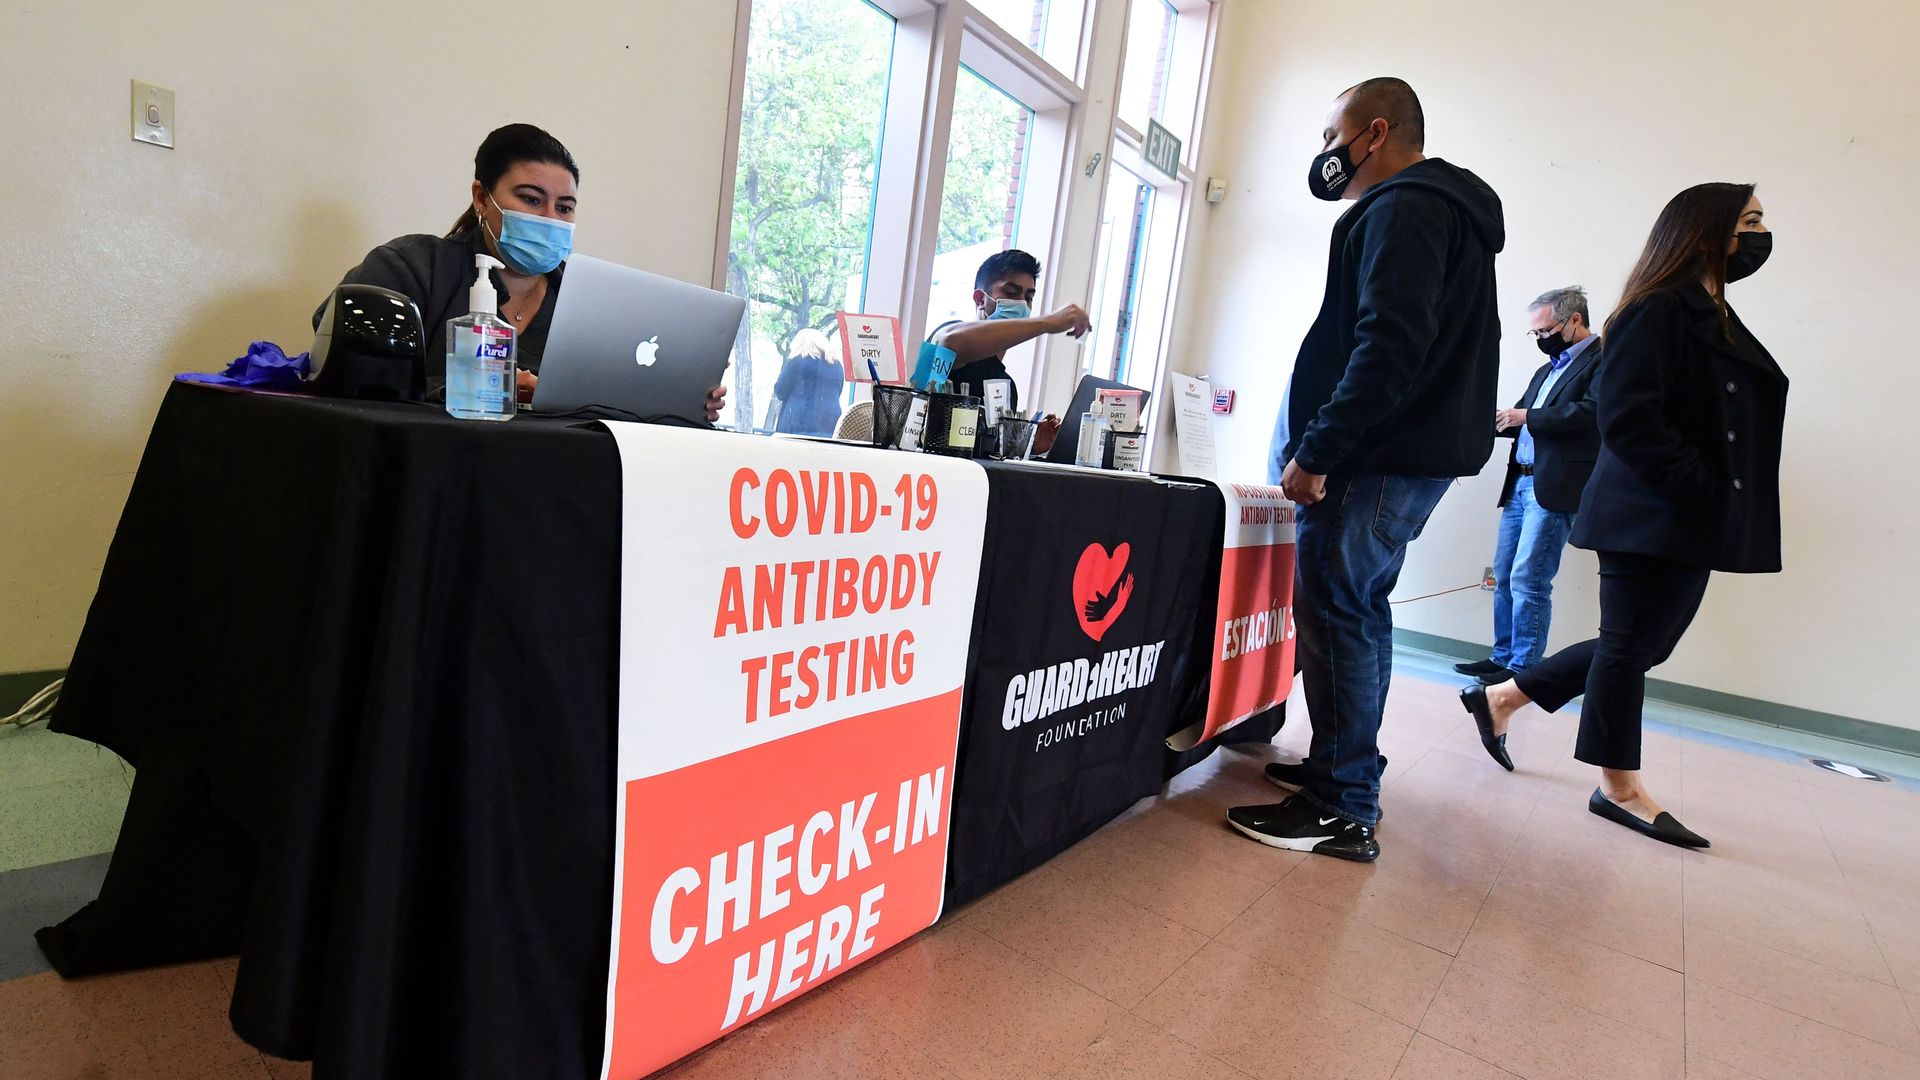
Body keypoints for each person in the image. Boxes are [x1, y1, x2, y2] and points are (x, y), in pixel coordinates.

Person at [1226, 77, 1504, 863]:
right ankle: (1343, 769)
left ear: (1375, 133)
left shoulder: (1404, 207)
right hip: (1410, 459)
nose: (1323, 153)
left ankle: (1343, 807)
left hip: (1373, 460)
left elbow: (1387, 346)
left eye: (1329, 136)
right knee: (1362, 612)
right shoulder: (1450, 211)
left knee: (1340, 616)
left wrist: (1318, 449)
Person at [1461, 183, 1783, 849]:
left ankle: (1501, 698)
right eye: (1748, 221)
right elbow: (1628, 418)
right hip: (1651, 511)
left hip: (1687, 512)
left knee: (1641, 644)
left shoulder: (1712, 311)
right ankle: (1619, 788)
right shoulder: (1657, 309)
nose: (1759, 233)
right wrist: (1700, 484)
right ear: (1704, 232)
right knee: (1629, 647)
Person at [318, 123, 725, 419]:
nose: (550, 218)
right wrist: (486, 388)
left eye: (564, 207)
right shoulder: (412, 266)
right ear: (482, 197)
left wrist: (684, 403)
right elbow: (346, 368)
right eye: (532, 199)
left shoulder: (592, 304)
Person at [1454, 287, 1605, 697]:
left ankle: (1523, 671)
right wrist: (1488, 420)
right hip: (1519, 483)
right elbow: (1523, 417)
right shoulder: (1548, 369)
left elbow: (1592, 414)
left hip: (1552, 487)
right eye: (1535, 334)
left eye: (1546, 330)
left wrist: (1528, 416)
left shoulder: (1601, 361)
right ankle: (1503, 657)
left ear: (1575, 320)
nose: (1541, 339)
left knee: (1530, 579)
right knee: (1504, 574)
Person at [929, 249, 1091, 450]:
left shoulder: (1006, 385)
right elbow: (951, 342)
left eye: (1029, 297)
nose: (1022, 304)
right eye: (1012, 293)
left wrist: (1029, 443)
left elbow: (987, 450)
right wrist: (1047, 323)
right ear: (980, 299)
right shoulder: (945, 336)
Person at [764, 328, 845, 436]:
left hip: (797, 423)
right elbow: (838, 392)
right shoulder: (837, 366)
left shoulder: (796, 362)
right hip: (830, 425)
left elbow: (780, 391)